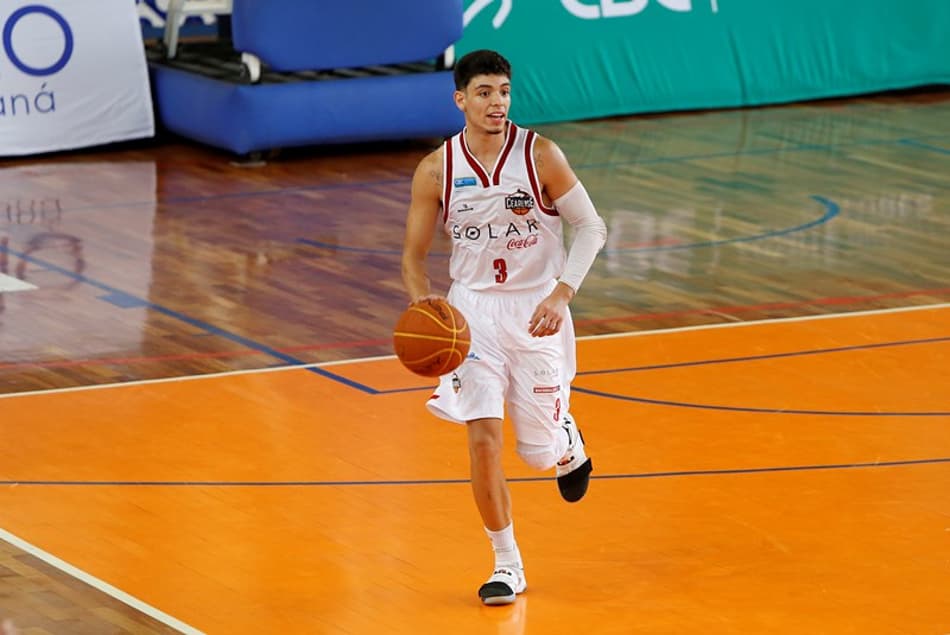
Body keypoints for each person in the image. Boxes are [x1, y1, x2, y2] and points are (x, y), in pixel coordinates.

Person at [401, 49, 607, 606]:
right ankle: (506, 563)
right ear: (460, 99)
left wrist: (563, 292)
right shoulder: (436, 169)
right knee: (484, 442)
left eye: (504, 92)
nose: (497, 103)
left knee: (536, 454)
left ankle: (565, 439)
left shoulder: (540, 155)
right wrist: (427, 307)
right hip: (472, 316)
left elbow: (591, 227)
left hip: (536, 308)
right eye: (485, 92)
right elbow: (413, 257)